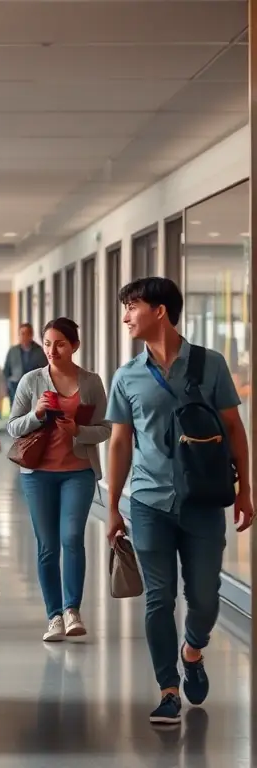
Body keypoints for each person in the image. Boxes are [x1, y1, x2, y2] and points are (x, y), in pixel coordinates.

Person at [106, 277, 253, 725]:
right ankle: (168, 689)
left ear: (160, 311)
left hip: (204, 499)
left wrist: (246, 489)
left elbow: (234, 429)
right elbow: (120, 443)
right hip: (149, 501)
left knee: (205, 597)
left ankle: (193, 650)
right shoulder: (127, 375)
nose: (126, 316)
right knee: (159, 598)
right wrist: (113, 507)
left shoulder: (210, 365)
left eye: (132, 306)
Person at [7, 318, 111, 642]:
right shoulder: (31, 381)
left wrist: (78, 430)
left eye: (61, 344)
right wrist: (36, 414)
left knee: (72, 537)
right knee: (48, 546)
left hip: (78, 471)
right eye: (48, 343)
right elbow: (12, 426)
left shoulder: (91, 382)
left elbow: (105, 429)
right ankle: (53, 615)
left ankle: (72, 610)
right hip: (37, 475)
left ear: (75, 346)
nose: (53, 350)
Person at [3, 323, 48, 404]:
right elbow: (6, 370)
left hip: (34, 388)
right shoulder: (13, 351)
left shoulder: (39, 351)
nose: (23, 336)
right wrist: (6, 386)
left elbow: (45, 371)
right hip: (15, 387)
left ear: (31, 335)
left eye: (26, 334)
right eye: (21, 334)